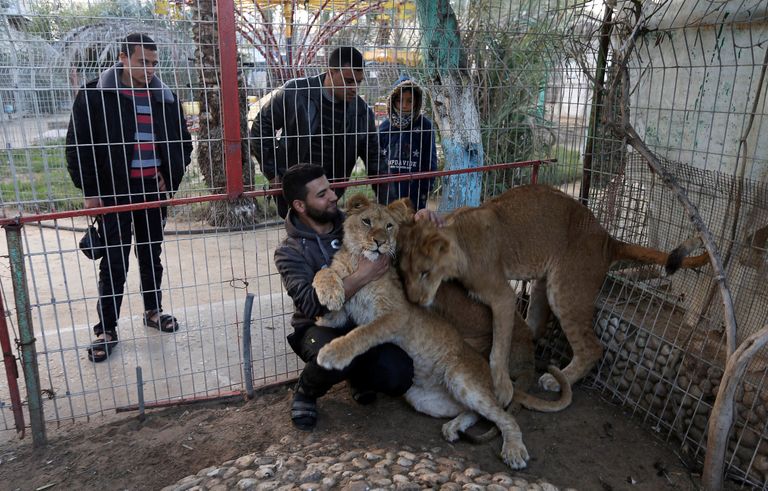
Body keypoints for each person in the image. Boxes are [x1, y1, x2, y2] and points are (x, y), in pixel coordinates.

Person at [65, 33, 193, 362]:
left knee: (152, 256)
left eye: (153, 63)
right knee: (114, 263)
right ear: (123, 58)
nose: (149, 69)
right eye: (142, 62)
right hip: (114, 194)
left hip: (152, 191)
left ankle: (153, 311)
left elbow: (183, 142)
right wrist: (91, 192)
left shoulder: (165, 98)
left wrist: (170, 173)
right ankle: (106, 329)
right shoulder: (94, 95)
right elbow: (77, 148)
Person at [274, 164, 418, 431]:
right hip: (318, 325)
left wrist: (425, 220)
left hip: (363, 318)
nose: (333, 197)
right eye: (322, 194)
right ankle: (306, 391)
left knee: (399, 373)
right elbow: (311, 304)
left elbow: (390, 227)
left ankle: (357, 376)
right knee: (330, 355)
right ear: (300, 205)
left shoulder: (352, 220)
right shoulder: (289, 251)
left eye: (330, 189)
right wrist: (363, 275)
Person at [250, 46, 384, 218]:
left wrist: (391, 204)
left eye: (358, 82)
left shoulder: (361, 113)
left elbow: (375, 160)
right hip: (294, 191)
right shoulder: (295, 92)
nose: (354, 88)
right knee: (299, 239)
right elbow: (260, 128)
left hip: (331, 194)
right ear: (331, 72)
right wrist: (273, 175)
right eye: (348, 81)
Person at [379, 76, 438, 210]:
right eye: (400, 100)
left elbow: (431, 161)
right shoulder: (384, 127)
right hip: (389, 194)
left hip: (415, 194)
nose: (404, 105)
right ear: (392, 100)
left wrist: (425, 189)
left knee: (413, 229)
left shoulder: (425, 126)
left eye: (409, 101)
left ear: (416, 102)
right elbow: (376, 161)